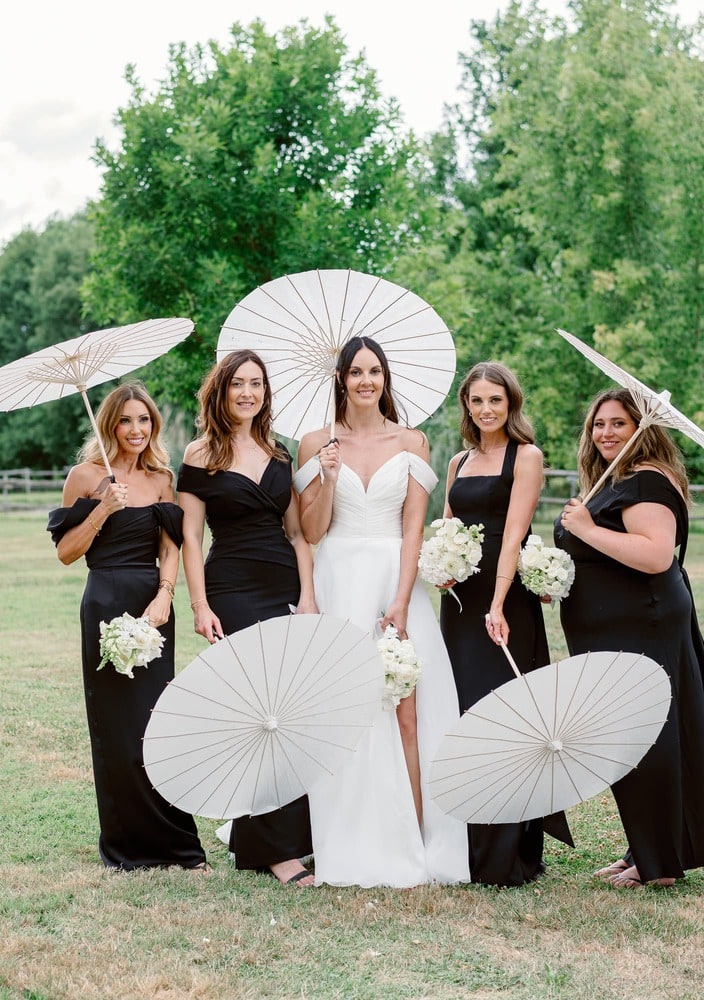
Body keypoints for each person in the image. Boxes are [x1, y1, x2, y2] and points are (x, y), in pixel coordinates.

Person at [294, 335, 469, 888]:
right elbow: (312, 530)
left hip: (396, 582)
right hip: (339, 576)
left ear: (385, 379)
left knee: (407, 713)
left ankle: (414, 835)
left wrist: (401, 597)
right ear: (341, 379)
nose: (365, 381)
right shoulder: (314, 442)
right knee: (344, 710)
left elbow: (414, 526)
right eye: (355, 372)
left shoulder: (412, 442)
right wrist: (324, 475)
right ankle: (342, 835)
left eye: (374, 371)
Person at [555, 387, 704, 888]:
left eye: (619, 423)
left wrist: (587, 531)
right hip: (615, 626)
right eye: (599, 424)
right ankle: (646, 846)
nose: (607, 432)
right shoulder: (618, 480)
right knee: (630, 740)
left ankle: (660, 864)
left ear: (643, 427)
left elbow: (656, 555)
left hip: (644, 624)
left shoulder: (650, 481)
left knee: (648, 740)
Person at [46, 382, 207, 871]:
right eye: (126, 421)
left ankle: (179, 846)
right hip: (104, 600)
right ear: (111, 424)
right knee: (117, 729)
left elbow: (171, 545)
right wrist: (103, 509)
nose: (136, 430)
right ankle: (125, 846)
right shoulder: (85, 475)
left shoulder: (162, 479)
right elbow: (66, 554)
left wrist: (165, 595)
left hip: (153, 606)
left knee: (160, 724)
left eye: (144, 421)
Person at [178, 349, 317, 887]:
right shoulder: (200, 453)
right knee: (259, 716)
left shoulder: (278, 454)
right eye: (238, 384)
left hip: (283, 585)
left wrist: (307, 596)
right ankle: (275, 851)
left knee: (289, 713)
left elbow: (298, 533)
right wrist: (199, 604)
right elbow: (190, 535)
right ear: (221, 390)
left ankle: (272, 836)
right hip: (232, 588)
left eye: (256, 384)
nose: (247, 393)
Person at [439, 361, 572, 886]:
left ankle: (509, 852)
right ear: (467, 407)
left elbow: (514, 535)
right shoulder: (458, 461)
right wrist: (442, 572)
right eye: (477, 401)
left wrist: (496, 604)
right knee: (467, 712)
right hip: (460, 600)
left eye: (495, 400)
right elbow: (447, 527)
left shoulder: (528, 456)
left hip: (505, 599)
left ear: (510, 403)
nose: (486, 409)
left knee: (507, 717)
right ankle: (468, 844)